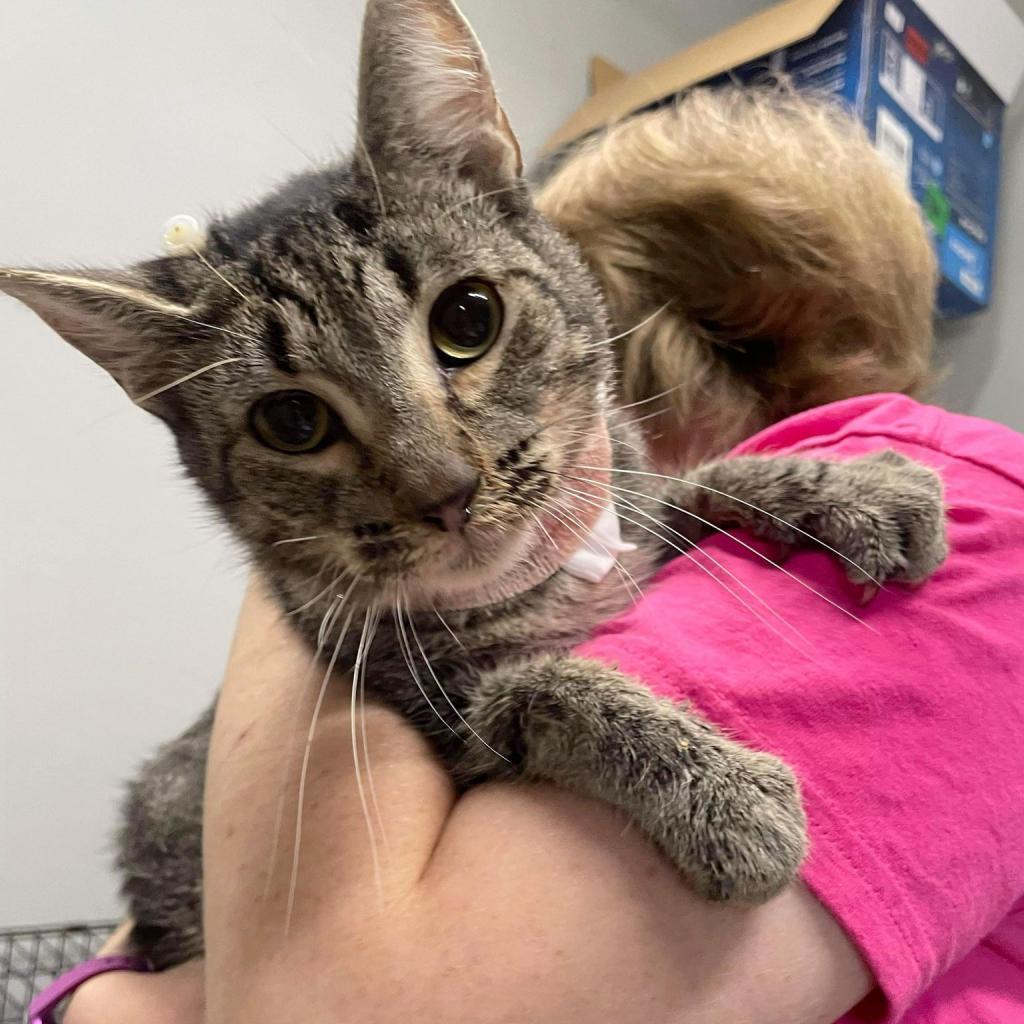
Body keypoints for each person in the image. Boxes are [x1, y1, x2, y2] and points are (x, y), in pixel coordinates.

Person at [62, 94, 1024, 1022]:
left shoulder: (983, 519)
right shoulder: (539, 494)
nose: (438, 482)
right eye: (299, 419)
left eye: (465, 324)